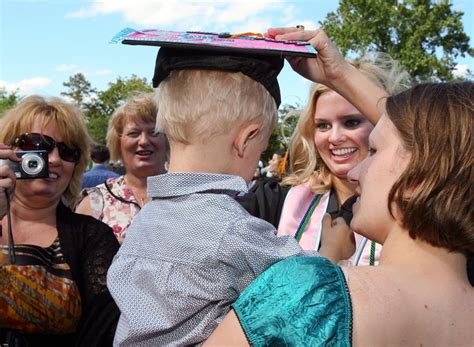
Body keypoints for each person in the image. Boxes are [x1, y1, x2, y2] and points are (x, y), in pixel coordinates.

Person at [205, 28, 474, 346]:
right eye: (322, 125)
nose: (356, 172)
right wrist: (339, 74)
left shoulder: (304, 290)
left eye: (372, 148)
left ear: (416, 178)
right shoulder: (280, 199)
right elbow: (439, 143)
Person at [107, 47, 354, 346]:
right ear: (245, 140)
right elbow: (306, 286)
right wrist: (332, 249)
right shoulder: (231, 231)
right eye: (261, 147)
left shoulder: (147, 217)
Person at [0, 95, 120, 346]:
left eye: (68, 151)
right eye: (37, 143)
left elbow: (104, 328)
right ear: (8, 151)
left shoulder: (93, 237)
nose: (53, 159)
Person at [278, 56, 408, 265]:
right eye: (323, 125)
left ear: (380, 124)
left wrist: (341, 74)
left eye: (351, 122)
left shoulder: (417, 206)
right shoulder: (283, 201)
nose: (334, 137)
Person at [76, 92, 168, 243]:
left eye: (153, 132)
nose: (144, 141)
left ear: (167, 139)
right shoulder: (95, 202)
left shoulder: (189, 195)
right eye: (134, 133)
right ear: (118, 143)